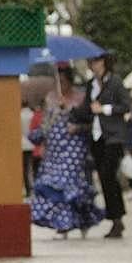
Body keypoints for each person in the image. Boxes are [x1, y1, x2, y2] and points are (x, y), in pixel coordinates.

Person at [31, 65, 105, 238]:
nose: (62, 85)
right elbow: (45, 124)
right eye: (59, 81)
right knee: (54, 184)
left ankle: (81, 220)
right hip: (54, 148)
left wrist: (76, 124)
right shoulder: (51, 98)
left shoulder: (81, 98)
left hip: (74, 146)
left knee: (70, 182)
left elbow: (90, 121)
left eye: (64, 81)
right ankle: (62, 224)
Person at [75, 50, 129, 239]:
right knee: (104, 178)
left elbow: (126, 105)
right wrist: (70, 113)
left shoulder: (115, 82)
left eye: (97, 61)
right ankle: (115, 218)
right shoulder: (91, 85)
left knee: (108, 174)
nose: (93, 65)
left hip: (113, 136)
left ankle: (117, 217)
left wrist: (105, 109)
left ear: (104, 62)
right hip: (97, 137)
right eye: (91, 61)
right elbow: (85, 110)